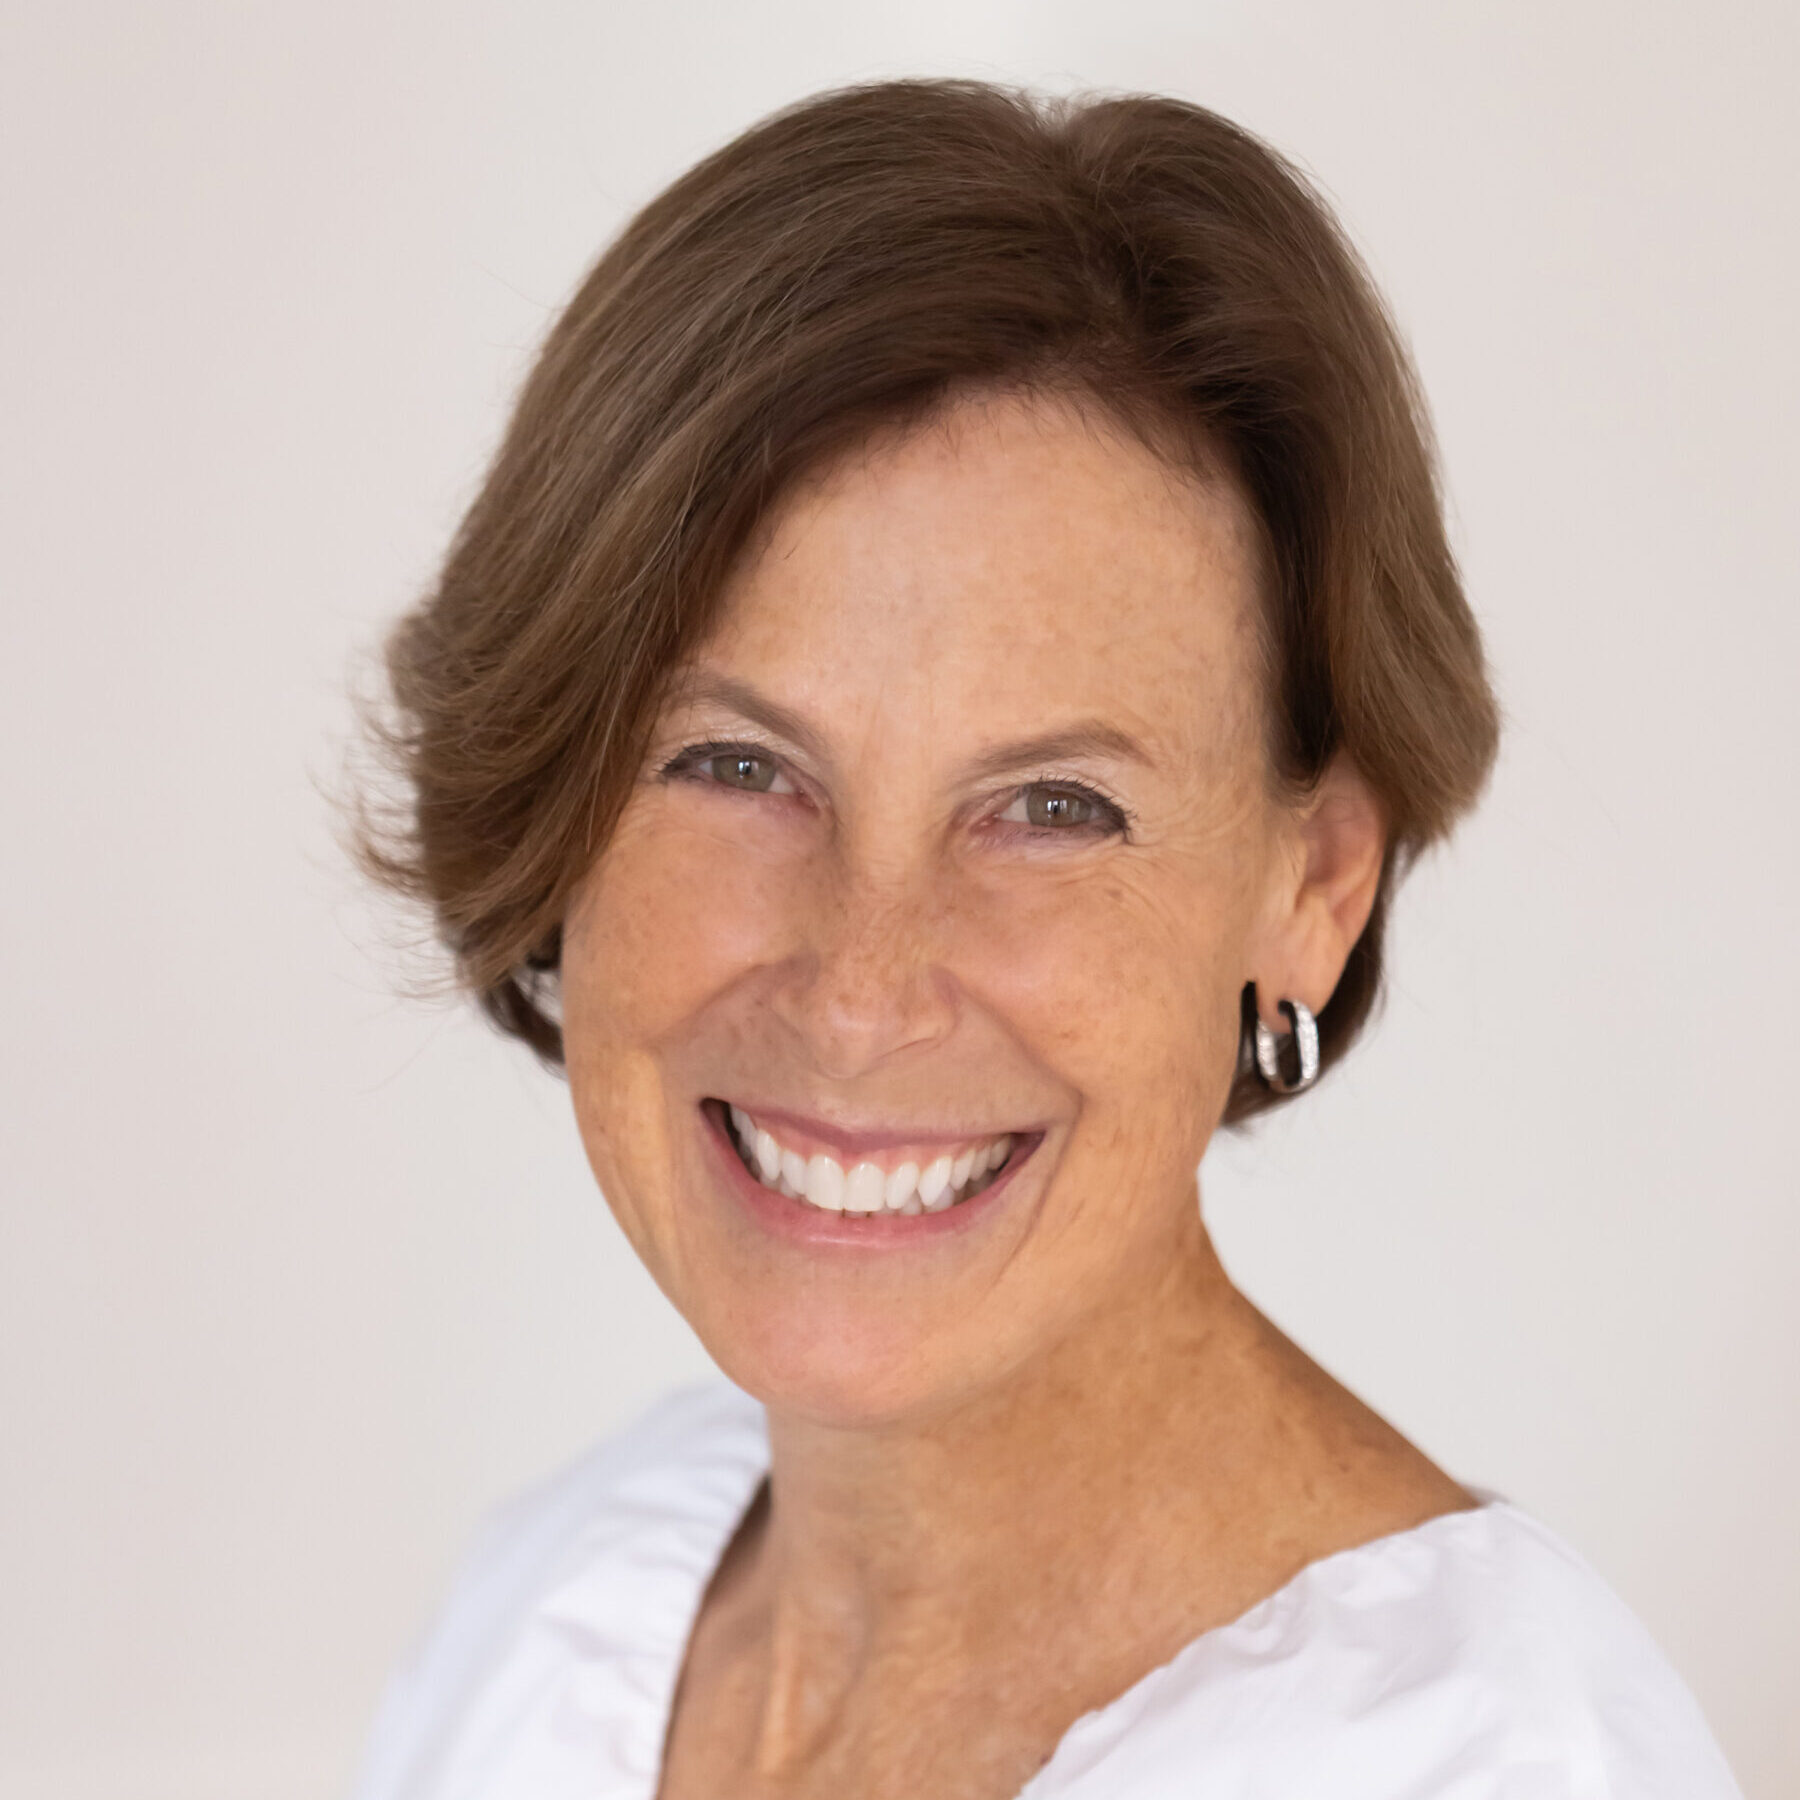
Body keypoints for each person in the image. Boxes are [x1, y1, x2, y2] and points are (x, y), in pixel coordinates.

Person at [348, 78, 1741, 1800]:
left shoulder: (1486, 1763)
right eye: (736, 765)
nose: (858, 993)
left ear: (1314, 889)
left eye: (1053, 808)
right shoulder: (552, 1619)